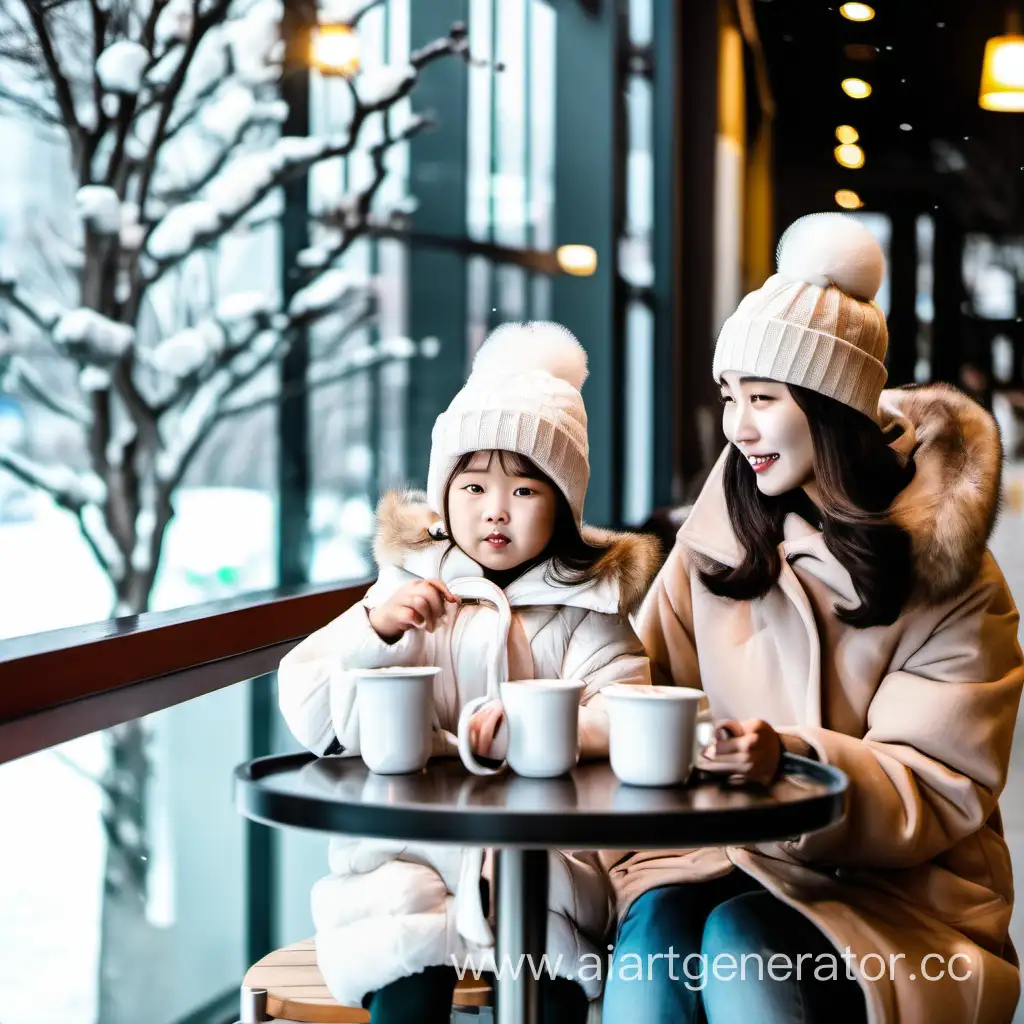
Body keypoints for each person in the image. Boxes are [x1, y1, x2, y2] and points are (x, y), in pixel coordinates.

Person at [601, 213, 1024, 1024]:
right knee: (658, 923)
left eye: (763, 399)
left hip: (900, 900)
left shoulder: (951, 573)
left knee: (739, 940)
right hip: (717, 859)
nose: (739, 427)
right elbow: (633, 682)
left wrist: (789, 757)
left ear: (833, 411)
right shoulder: (714, 541)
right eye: (730, 398)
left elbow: (937, 786)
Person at [277, 321, 659, 1023]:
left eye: (523, 491)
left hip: (540, 867)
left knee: (549, 984)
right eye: (474, 485)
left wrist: (551, 728)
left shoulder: (586, 610)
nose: (494, 511)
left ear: (564, 503)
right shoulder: (403, 590)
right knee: (404, 963)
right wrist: (378, 630)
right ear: (443, 491)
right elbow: (312, 710)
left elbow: (628, 709)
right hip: (404, 863)